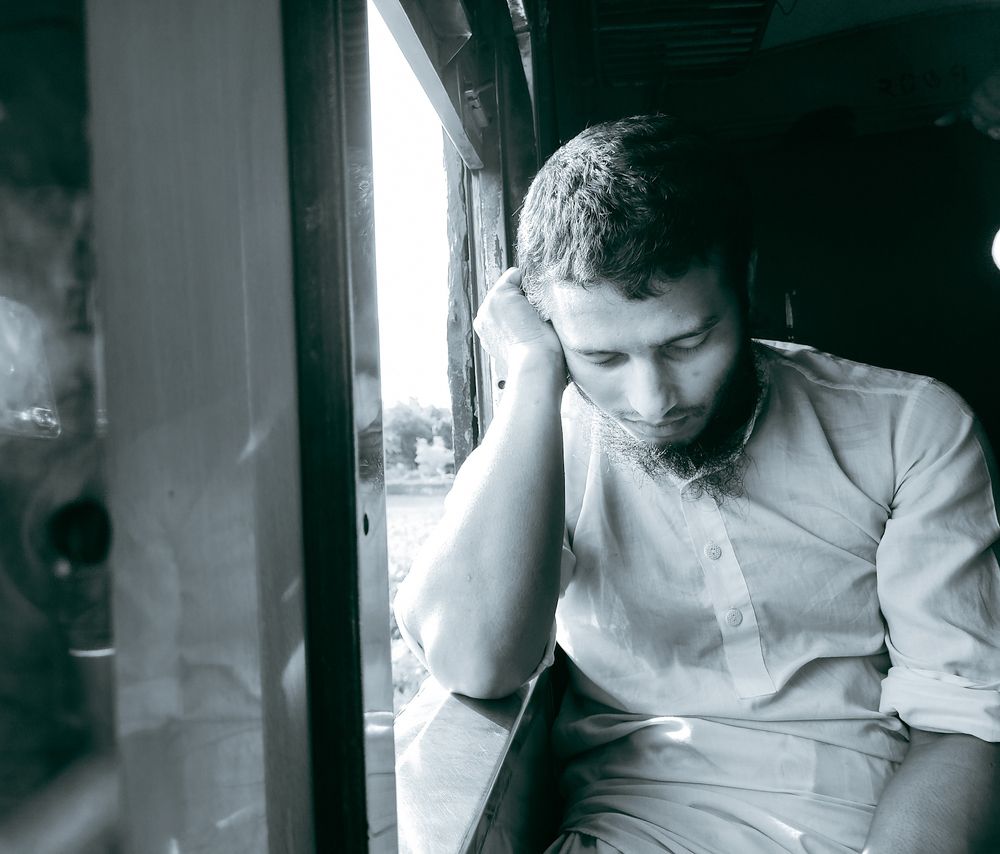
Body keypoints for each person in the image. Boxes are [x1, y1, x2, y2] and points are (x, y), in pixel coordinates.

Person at [393, 115, 1000, 854]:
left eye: (687, 343)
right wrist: (531, 374)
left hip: (877, 828)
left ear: (747, 282)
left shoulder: (910, 427)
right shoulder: (546, 443)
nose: (653, 402)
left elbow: (960, 721)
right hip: (623, 834)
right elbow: (476, 662)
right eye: (602, 358)